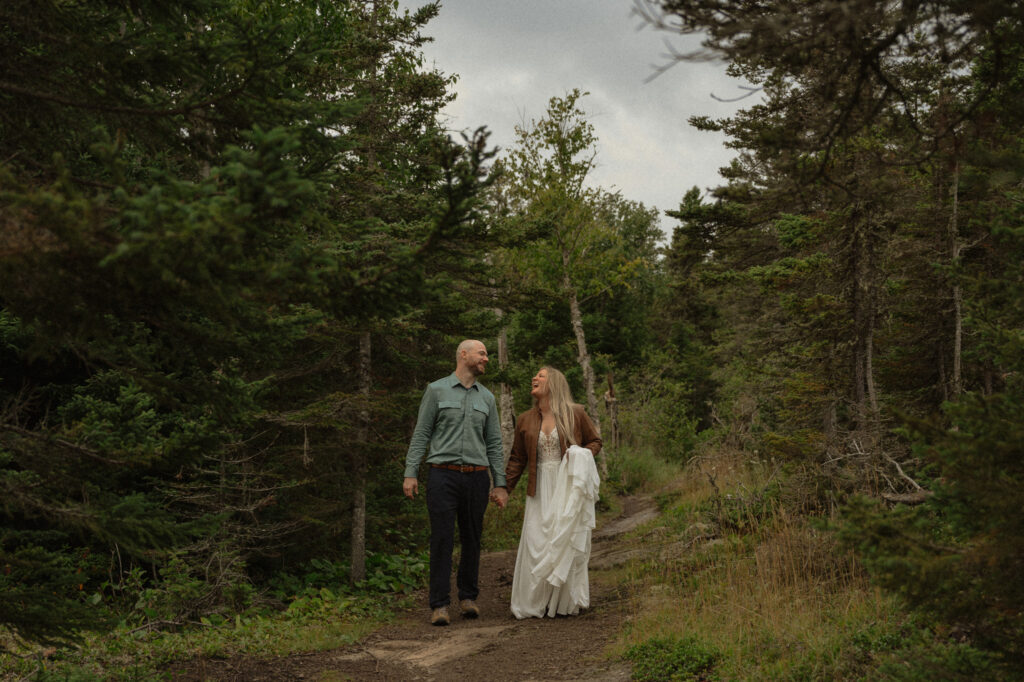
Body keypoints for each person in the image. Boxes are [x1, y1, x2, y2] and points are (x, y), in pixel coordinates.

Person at [404, 339, 509, 626]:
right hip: (442, 474)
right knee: (441, 538)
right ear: (463, 355)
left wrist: (499, 484)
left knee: (472, 537)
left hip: (476, 477)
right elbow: (422, 434)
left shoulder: (486, 398)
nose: (486, 358)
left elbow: (495, 444)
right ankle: (439, 605)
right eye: (482, 353)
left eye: (487, 354)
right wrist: (410, 472)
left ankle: (468, 598)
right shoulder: (436, 390)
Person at [501, 366, 602, 619]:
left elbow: (595, 441)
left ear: (554, 383)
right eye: (534, 375)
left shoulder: (575, 412)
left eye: (541, 376)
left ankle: (562, 601)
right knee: (538, 540)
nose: (534, 378)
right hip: (539, 487)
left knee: (563, 538)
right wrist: (504, 488)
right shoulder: (524, 419)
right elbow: (517, 459)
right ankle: (537, 600)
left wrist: (581, 455)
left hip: (566, 485)